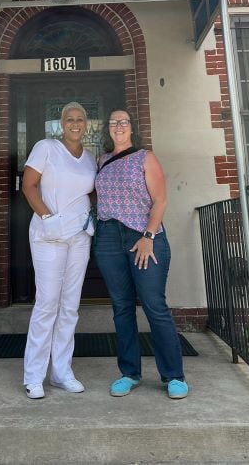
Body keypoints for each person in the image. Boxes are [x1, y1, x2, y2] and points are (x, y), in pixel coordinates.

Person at [94, 108, 188, 399]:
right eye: (113, 122)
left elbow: (160, 199)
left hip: (144, 238)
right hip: (108, 237)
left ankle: (173, 376)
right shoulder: (101, 160)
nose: (118, 126)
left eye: (123, 122)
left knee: (154, 306)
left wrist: (148, 235)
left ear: (132, 127)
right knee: (122, 308)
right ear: (107, 129)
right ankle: (129, 373)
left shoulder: (145, 157)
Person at [21, 101, 96, 400]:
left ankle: (61, 371)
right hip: (48, 234)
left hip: (79, 236)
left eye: (80, 119)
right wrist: (49, 219)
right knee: (47, 304)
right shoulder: (46, 147)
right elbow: (29, 187)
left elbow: (89, 192)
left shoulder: (90, 158)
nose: (75, 124)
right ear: (60, 124)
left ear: (86, 124)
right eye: (69, 119)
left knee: (70, 306)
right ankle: (33, 375)